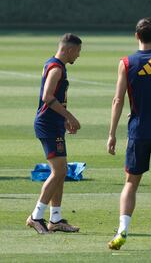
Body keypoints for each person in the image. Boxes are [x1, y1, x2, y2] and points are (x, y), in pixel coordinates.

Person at [107, 18, 151, 251]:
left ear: (136, 36)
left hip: (139, 130)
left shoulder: (126, 62)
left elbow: (118, 100)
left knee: (131, 183)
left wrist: (112, 133)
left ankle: (122, 230)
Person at [28, 33, 82, 234]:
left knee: (61, 170)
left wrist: (63, 120)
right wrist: (69, 116)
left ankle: (55, 219)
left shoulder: (55, 65)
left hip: (54, 124)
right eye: (77, 51)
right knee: (59, 171)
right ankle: (36, 216)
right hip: (48, 124)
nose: (78, 55)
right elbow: (47, 97)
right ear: (68, 49)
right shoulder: (57, 68)